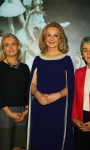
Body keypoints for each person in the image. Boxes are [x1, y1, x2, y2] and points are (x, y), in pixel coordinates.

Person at [27, 22, 75, 150]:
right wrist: (37, 95)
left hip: (58, 111)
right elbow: (32, 85)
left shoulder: (66, 60)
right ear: (44, 38)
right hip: (39, 109)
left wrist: (57, 95)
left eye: (55, 35)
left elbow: (71, 87)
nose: (52, 39)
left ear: (61, 39)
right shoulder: (38, 59)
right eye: (49, 35)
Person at [0, 33, 30, 150]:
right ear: (3, 49)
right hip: (5, 112)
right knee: (4, 146)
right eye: (6, 45)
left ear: (18, 46)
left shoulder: (25, 68)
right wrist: (9, 113)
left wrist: (26, 111)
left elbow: (28, 91)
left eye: (13, 44)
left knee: (18, 146)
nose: (10, 47)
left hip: (22, 113)